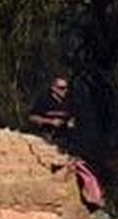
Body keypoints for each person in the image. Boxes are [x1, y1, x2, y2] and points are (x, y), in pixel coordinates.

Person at [26, 74, 105, 211]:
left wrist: (71, 123)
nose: (64, 91)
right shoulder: (43, 99)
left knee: (77, 165)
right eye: (61, 88)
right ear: (53, 88)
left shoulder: (70, 101)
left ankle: (87, 197)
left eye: (66, 88)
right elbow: (32, 117)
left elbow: (77, 117)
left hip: (66, 138)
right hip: (47, 136)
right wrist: (50, 122)